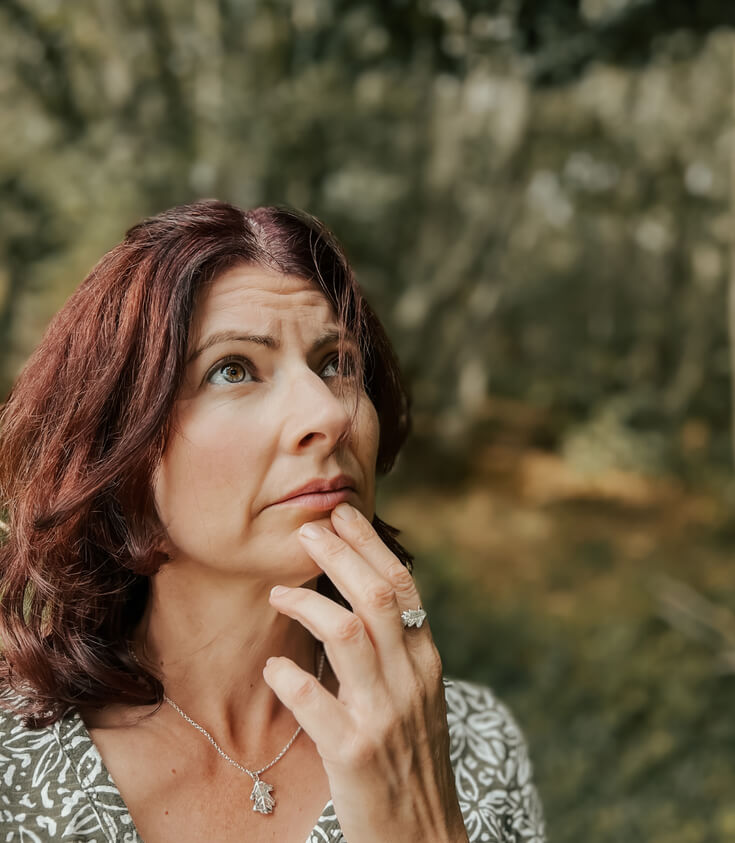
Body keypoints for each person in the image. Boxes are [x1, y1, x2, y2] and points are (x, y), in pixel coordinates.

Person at [0, 200, 545, 842]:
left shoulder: (478, 747)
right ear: (120, 455)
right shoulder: (13, 758)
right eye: (232, 370)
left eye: (336, 363)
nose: (329, 415)